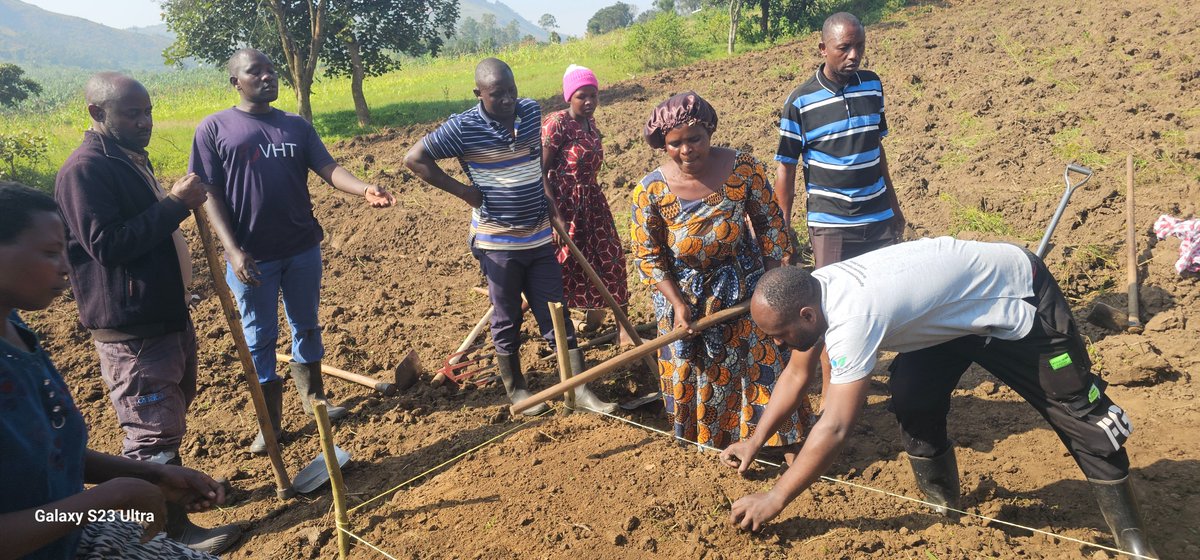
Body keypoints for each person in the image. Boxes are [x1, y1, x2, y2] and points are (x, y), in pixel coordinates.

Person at [721, 237, 1158, 559]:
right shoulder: (814, 289)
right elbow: (798, 372)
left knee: (1079, 412)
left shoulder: (854, 317)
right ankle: (944, 502)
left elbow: (835, 427)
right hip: (949, 320)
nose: (779, 344)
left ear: (807, 315)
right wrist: (755, 442)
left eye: (780, 336)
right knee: (912, 395)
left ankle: (1131, 535)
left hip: (1015, 301)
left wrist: (774, 498)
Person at [53, 73, 240, 554]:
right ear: (97, 114)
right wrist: (176, 204)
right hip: (131, 329)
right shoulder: (85, 170)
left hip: (164, 316)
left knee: (169, 413)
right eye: (131, 114)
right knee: (151, 429)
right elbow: (107, 245)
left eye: (148, 111)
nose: (144, 122)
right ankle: (166, 530)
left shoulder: (127, 157)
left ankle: (170, 502)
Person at [0, 181, 230, 560]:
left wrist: (151, 475)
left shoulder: (16, 330)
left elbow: (50, 451)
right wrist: (107, 498)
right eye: (49, 253)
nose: (65, 268)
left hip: (70, 539)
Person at [189, 49, 395, 453]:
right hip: (252, 255)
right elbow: (208, 192)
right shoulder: (215, 128)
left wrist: (363, 188)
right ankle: (270, 424)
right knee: (259, 336)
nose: (267, 77)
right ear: (236, 82)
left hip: (302, 247)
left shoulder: (295, 127)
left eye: (271, 71)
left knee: (307, 324)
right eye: (256, 72)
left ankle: (314, 398)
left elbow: (328, 168)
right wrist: (232, 249)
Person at [405, 58, 615, 415]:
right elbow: (415, 158)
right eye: (497, 94)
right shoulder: (462, 127)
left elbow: (537, 166)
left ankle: (578, 390)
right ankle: (517, 390)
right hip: (497, 242)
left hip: (537, 235)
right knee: (507, 318)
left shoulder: (531, 112)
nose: (507, 100)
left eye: (512, 92)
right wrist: (464, 192)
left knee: (557, 312)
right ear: (479, 94)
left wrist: (550, 206)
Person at [631, 91, 809, 451]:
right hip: (685, 301)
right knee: (701, 376)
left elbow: (771, 229)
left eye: (694, 139)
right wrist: (678, 304)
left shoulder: (743, 168)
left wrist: (771, 287)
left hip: (745, 291)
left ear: (709, 131)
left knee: (760, 367)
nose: (686, 150)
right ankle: (712, 445)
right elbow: (647, 256)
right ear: (663, 145)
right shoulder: (650, 190)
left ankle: (777, 443)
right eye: (674, 143)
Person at [774, 12, 905, 268]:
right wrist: (783, 229)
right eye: (844, 48)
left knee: (887, 294)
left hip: (878, 217)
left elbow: (876, 148)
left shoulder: (872, 85)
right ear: (823, 49)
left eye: (860, 46)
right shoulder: (800, 102)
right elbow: (786, 168)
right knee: (835, 299)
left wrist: (894, 206)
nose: (854, 55)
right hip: (831, 224)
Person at [541, 64, 634, 346]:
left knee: (612, 258)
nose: (590, 102)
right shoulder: (556, 123)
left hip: (592, 204)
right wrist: (554, 215)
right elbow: (539, 171)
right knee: (561, 267)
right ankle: (546, 325)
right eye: (582, 96)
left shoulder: (590, 124)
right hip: (564, 207)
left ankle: (624, 328)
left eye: (594, 95)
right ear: (569, 96)